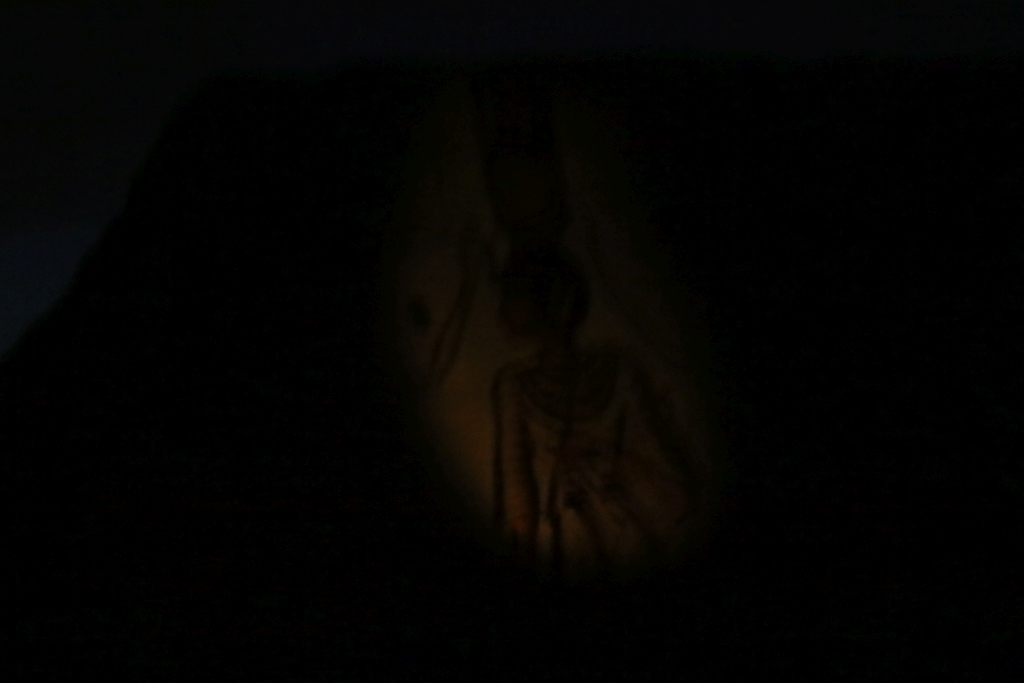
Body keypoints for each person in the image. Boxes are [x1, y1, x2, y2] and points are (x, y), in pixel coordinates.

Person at [491, 243, 705, 580]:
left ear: (547, 300)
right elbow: (518, 499)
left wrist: (604, 459)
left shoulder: (619, 371)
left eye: (513, 294)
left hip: (630, 538)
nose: (503, 307)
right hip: (568, 544)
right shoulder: (513, 387)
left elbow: (670, 480)